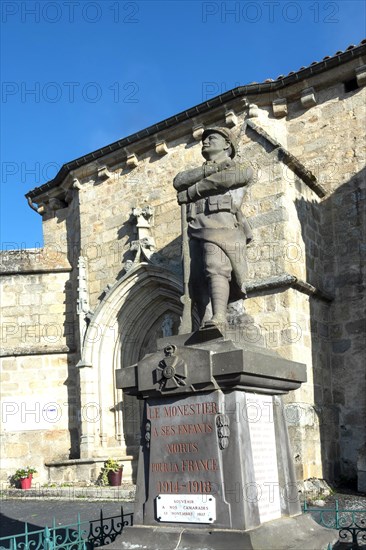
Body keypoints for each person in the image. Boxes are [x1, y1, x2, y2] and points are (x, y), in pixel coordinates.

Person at [173, 127, 253, 328]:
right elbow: (178, 181)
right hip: (196, 225)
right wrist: (208, 170)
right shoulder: (200, 171)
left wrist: (193, 191)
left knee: (215, 266)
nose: (205, 141)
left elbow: (232, 177)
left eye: (212, 138)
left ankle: (220, 317)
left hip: (221, 223)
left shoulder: (239, 167)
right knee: (197, 278)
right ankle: (205, 322)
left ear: (227, 145)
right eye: (204, 139)